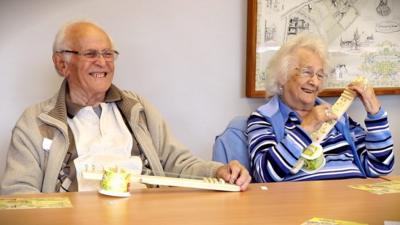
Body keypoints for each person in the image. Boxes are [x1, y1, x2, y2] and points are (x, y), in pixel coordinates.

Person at [1, 21, 250, 194]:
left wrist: (218, 171)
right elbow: (18, 194)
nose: (102, 62)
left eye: (108, 54)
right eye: (90, 54)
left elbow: (178, 163)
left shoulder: (137, 109)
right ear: (61, 64)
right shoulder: (35, 122)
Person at [247, 33, 394, 182]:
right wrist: (307, 127)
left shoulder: (338, 117)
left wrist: (375, 112)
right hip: (304, 203)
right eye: (307, 72)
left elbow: (379, 167)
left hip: (354, 198)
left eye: (320, 75)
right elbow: (263, 175)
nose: (315, 82)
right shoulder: (264, 118)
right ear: (282, 76)